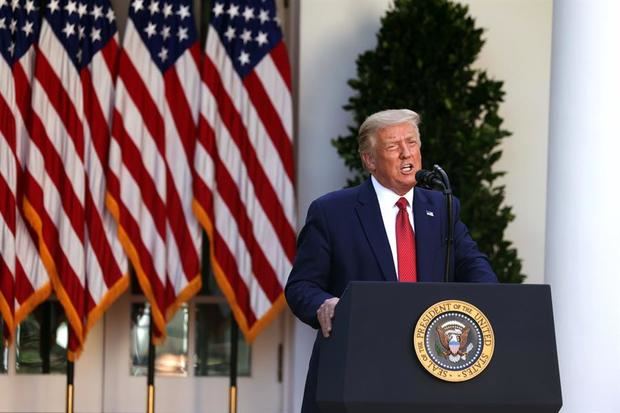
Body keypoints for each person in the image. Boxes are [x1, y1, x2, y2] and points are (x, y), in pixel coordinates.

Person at [285, 109, 497, 413]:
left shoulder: (443, 208)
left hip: (429, 371)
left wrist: (491, 302)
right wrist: (325, 304)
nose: (406, 153)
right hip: (357, 368)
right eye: (393, 147)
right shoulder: (332, 212)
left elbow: (475, 267)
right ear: (369, 160)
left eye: (411, 143)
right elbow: (301, 285)